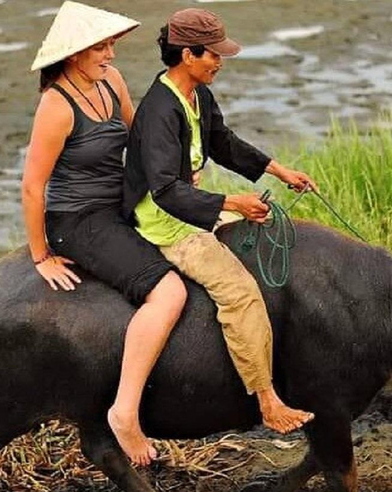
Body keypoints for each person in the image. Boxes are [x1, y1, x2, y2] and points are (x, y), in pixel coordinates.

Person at [123, 8, 316, 434]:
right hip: (167, 223)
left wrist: (279, 171)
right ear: (187, 55)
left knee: (264, 227)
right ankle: (266, 399)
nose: (220, 62)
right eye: (214, 55)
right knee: (240, 292)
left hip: (191, 206)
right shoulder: (159, 112)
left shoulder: (197, 95)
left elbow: (222, 142)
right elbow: (166, 191)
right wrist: (231, 201)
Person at [23, 1, 186, 466]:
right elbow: (34, 187)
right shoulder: (57, 104)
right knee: (168, 293)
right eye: (102, 46)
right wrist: (41, 256)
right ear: (75, 53)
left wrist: (172, 175)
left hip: (121, 202)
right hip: (80, 220)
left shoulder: (111, 82)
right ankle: (125, 413)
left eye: (112, 44)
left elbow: (138, 140)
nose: (111, 55)